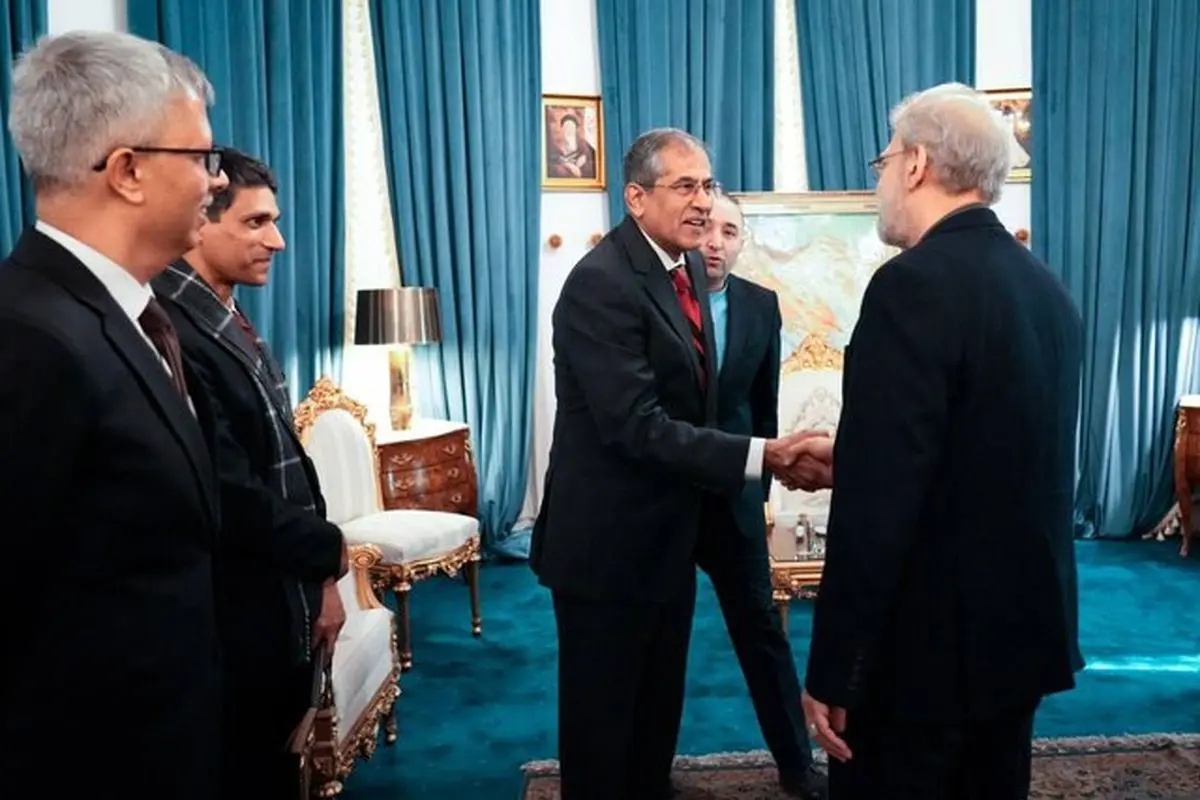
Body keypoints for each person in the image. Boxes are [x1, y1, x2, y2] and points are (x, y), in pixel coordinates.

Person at [796, 83, 1084, 799]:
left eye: (884, 162)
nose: (881, 182)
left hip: (924, 658)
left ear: (918, 163)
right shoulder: (1045, 287)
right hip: (1019, 636)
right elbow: (991, 455)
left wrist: (836, 668)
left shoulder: (910, 287)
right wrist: (857, 458)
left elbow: (878, 511)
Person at [530, 127, 829, 799]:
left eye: (708, 186)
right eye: (686, 187)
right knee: (602, 732)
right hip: (608, 547)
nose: (703, 202)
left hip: (670, 532)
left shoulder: (683, 266)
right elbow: (636, 426)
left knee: (655, 716)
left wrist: (759, 463)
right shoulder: (601, 284)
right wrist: (763, 456)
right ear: (636, 198)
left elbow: (704, 401)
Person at [0, 31, 229, 797]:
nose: (216, 179)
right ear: (128, 171)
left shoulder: (124, 312)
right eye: (201, 157)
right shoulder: (30, 338)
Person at [153, 149, 348, 798]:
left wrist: (319, 579)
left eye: (275, 221)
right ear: (200, 223)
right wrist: (328, 549)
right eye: (256, 222)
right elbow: (230, 490)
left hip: (276, 592)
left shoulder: (219, 311)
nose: (278, 241)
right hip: (236, 614)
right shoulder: (172, 327)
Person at [695, 191, 827, 798]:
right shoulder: (656, 303)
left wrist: (765, 485)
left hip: (735, 499)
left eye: (730, 231)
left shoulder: (760, 304)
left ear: (741, 242)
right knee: (660, 643)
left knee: (763, 635)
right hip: (667, 501)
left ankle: (798, 766)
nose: (715, 241)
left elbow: (763, 406)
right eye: (706, 227)